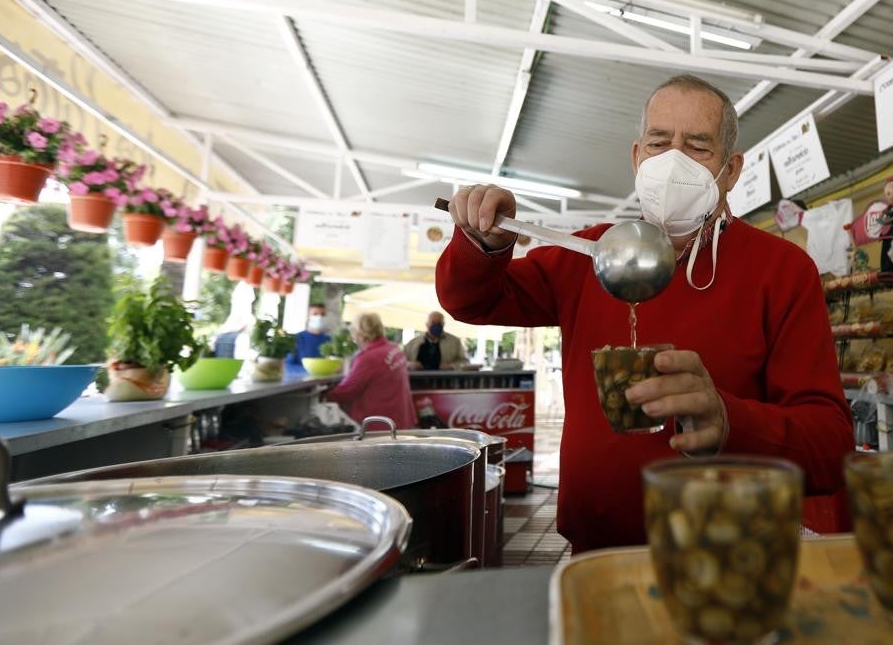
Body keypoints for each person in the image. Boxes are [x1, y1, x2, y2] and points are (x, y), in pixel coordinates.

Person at [436, 74, 854, 553]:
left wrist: (728, 421)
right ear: (637, 157)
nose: (673, 160)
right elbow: (470, 300)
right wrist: (482, 240)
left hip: (732, 556)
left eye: (698, 147)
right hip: (597, 549)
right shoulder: (589, 254)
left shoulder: (781, 270)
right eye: (659, 143)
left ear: (731, 170)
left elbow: (830, 445)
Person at [324, 312, 416, 428]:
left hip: (379, 425)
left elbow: (347, 390)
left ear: (359, 333)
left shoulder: (369, 358)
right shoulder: (394, 349)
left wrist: (324, 396)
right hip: (401, 420)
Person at [404, 311, 470, 371]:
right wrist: (410, 364)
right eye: (433, 322)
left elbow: (465, 362)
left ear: (443, 324)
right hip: (418, 380)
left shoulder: (455, 342)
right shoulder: (412, 343)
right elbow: (401, 362)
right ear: (427, 324)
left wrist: (451, 366)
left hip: (445, 379)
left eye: (439, 323)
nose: (436, 325)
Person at [287, 303, 332, 371]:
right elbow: (288, 365)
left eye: (323, 314)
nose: (319, 317)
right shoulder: (295, 339)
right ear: (307, 316)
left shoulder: (329, 340)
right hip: (300, 377)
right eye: (315, 314)